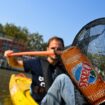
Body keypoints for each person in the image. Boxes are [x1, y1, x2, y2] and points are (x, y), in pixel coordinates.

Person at [4, 36, 87, 105]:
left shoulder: (66, 66)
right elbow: (14, 64)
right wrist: (9, 57)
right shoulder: (36, 62)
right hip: (42, 102)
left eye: (59, 49)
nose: (55, 51)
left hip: (60, 102)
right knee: (63, 78)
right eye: (52, 48)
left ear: (63, 51)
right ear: (47, 49)